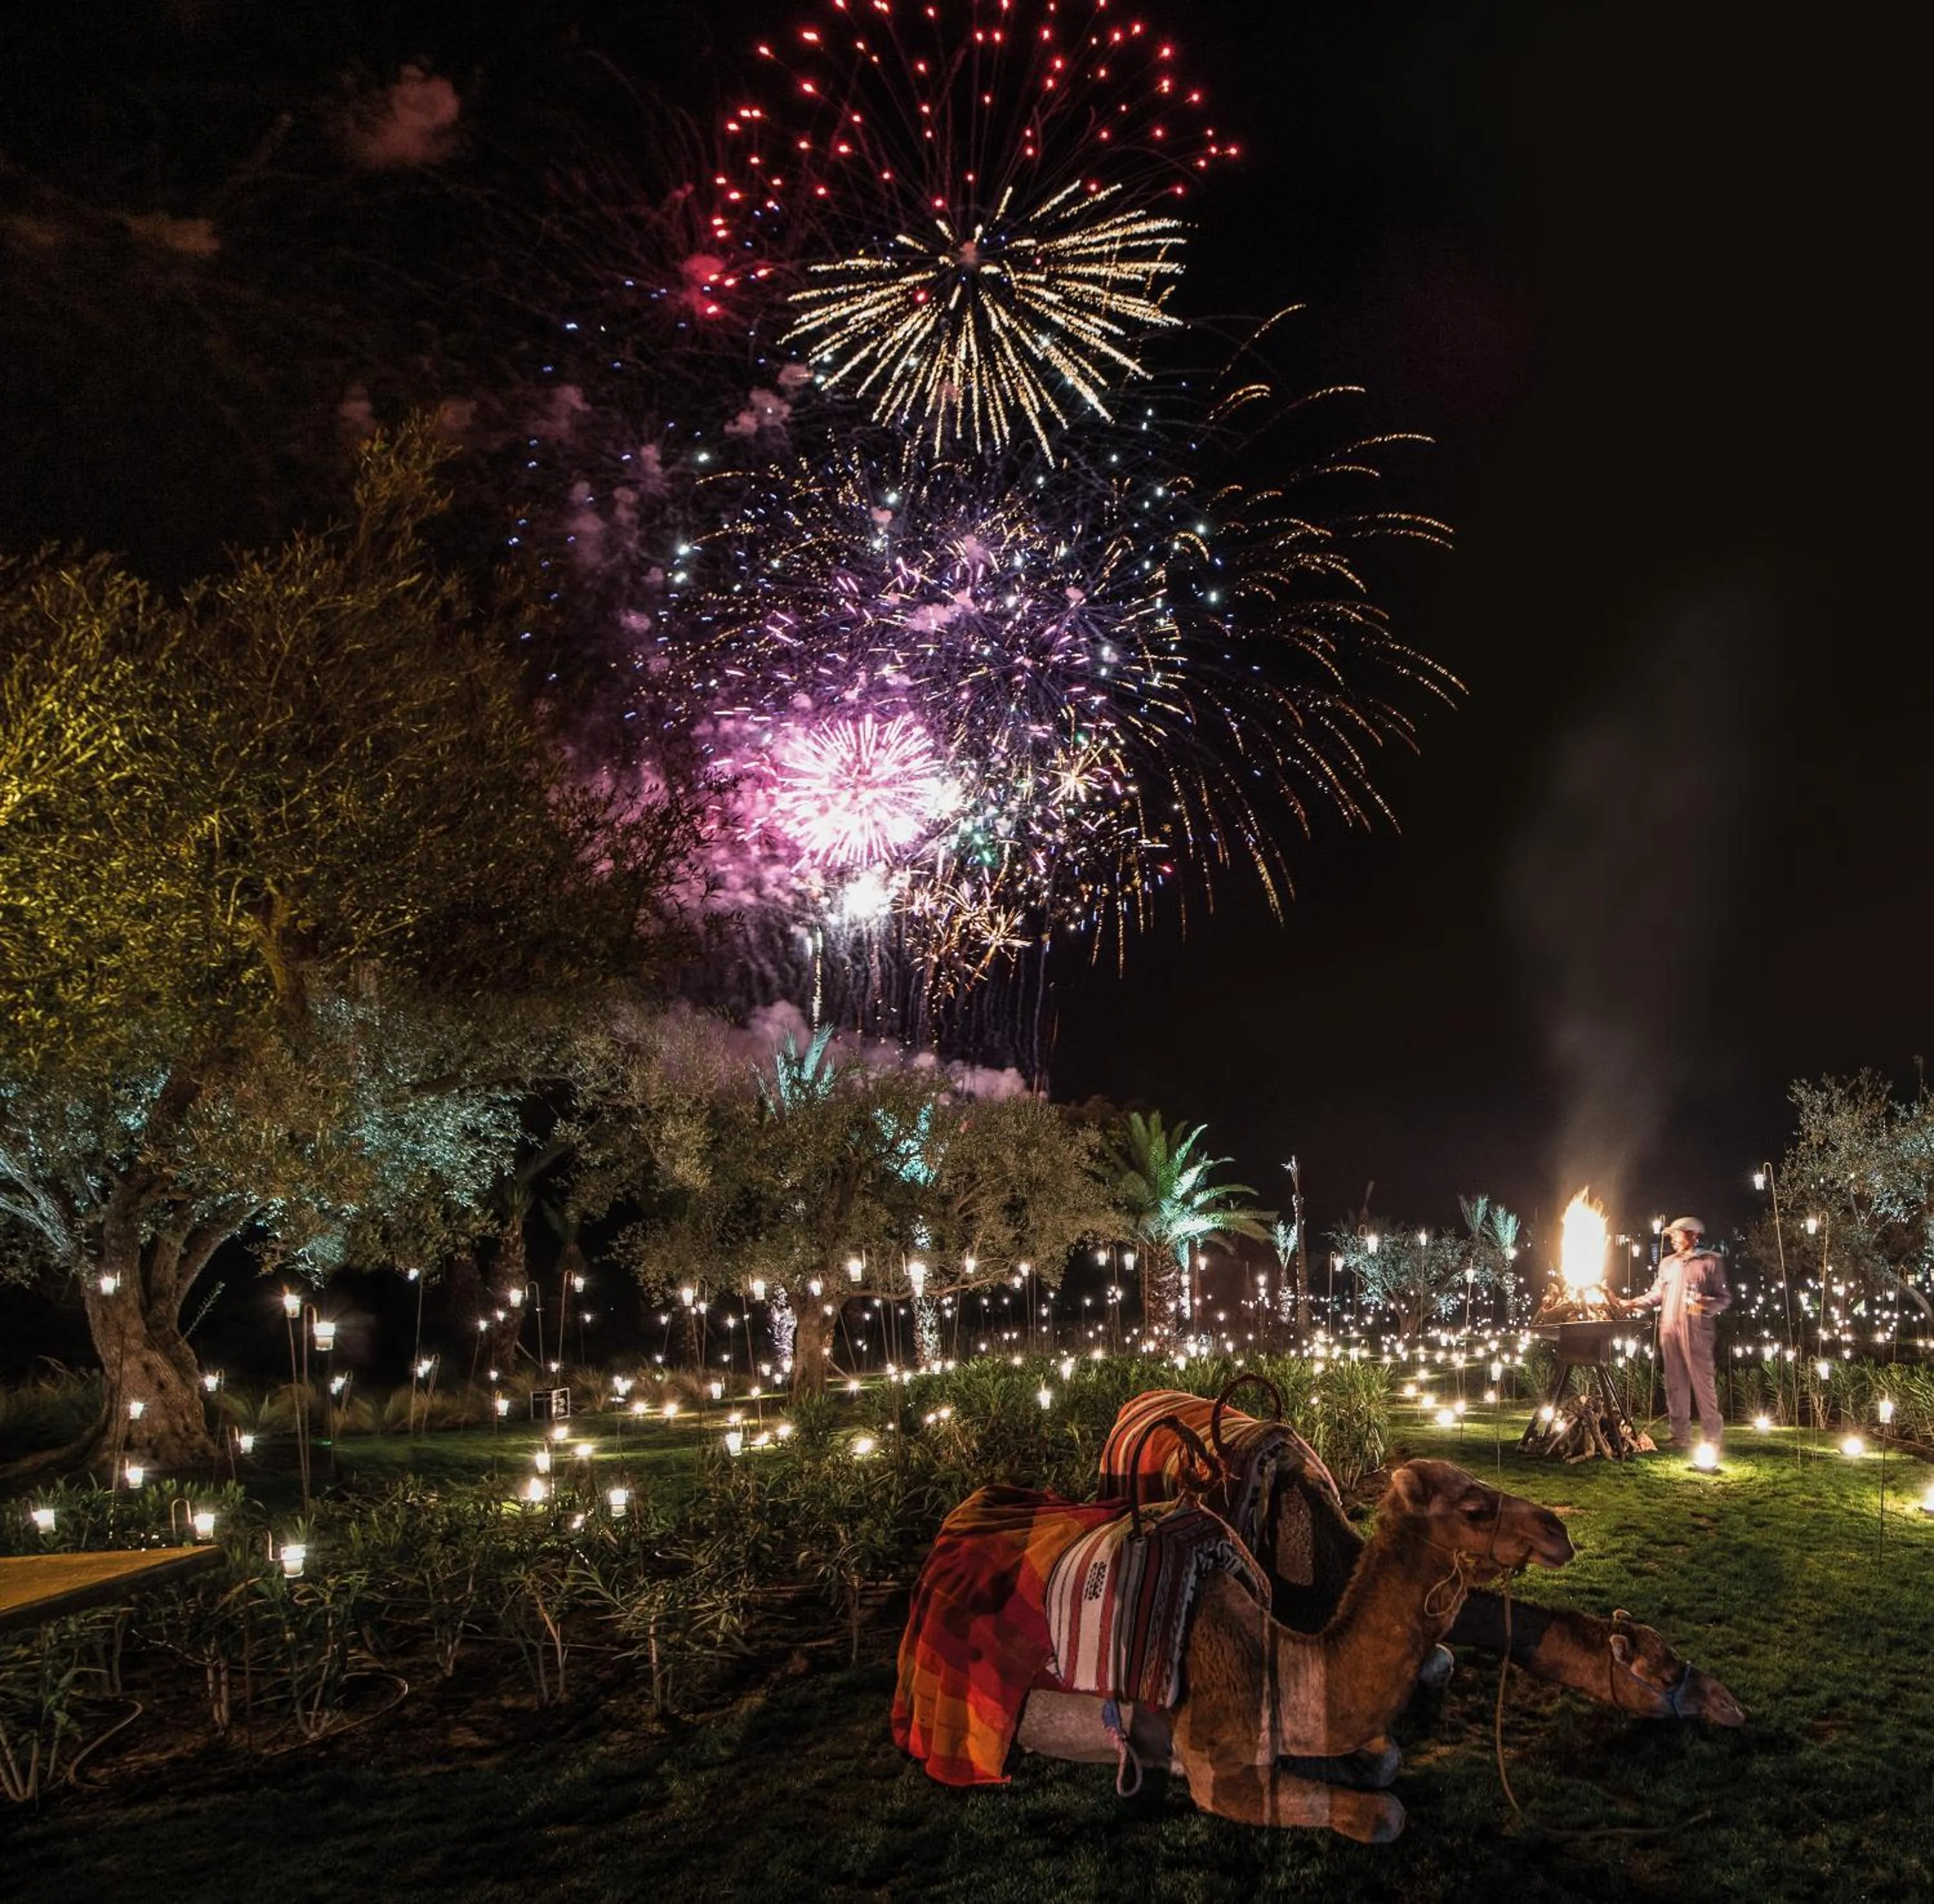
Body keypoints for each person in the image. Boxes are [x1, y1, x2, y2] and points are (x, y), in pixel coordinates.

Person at [1621, 1217, 1731, 1452]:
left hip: (1698, 1332)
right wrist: (1630, 1304)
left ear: (1693, 1235)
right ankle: (1679, 1436)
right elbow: (1655, 1295)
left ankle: (1712, 1436)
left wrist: (1704, 1303)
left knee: (1704, 1384)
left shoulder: (1710, 1261)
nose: (1672, 1238)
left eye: (1677, 1234)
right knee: (1675, 1385)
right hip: (1670, 1330)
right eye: (1671, 1235)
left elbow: (1724, 1298)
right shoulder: (1667, 1264)